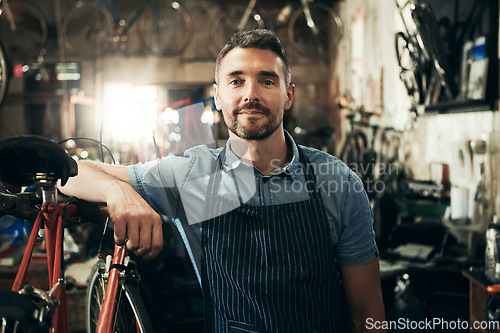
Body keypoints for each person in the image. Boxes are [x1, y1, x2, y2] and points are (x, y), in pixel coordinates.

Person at [60, 29, 386, 332]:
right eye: (236, 81)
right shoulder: (195, 175)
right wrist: (116, 191)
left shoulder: (336, 182)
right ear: (217, 96)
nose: (251, 94)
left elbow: (367, 315)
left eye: (267, 81)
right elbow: (66, 173)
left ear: (288, 96)